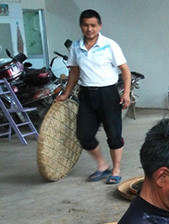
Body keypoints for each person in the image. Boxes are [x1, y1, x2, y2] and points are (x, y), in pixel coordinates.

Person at [55, 9, 131, 185]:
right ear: (81, 26)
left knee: (114, 135)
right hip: (87, 95)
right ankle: (102, 165)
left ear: (99, 26)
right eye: (85, 25)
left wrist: (126, 93)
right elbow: (74, 71)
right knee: (84, 134)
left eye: (93, 25)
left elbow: (125, 70)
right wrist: (66, 93)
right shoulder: (76, 47)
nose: (89, 29)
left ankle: (116, 169)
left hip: (108, 94)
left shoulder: (110, 45)